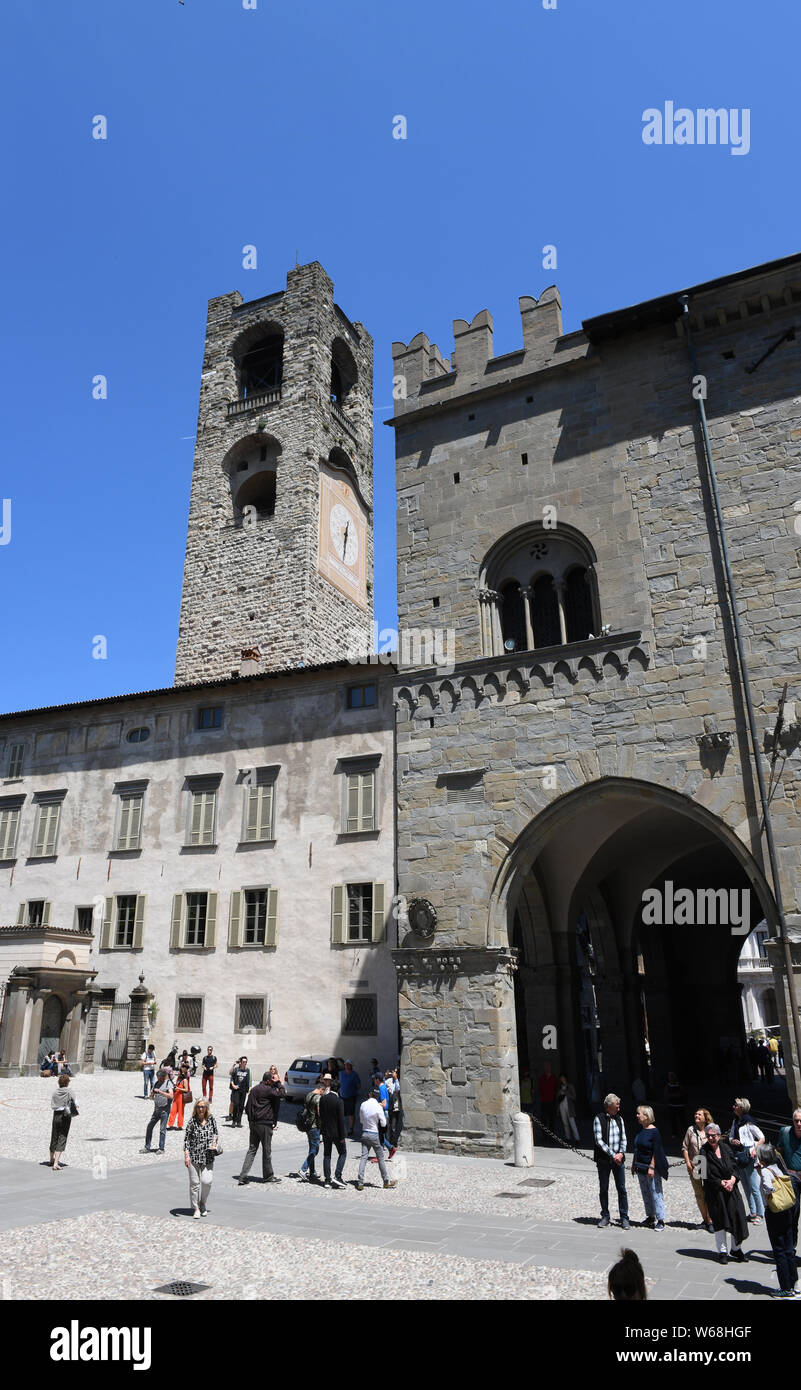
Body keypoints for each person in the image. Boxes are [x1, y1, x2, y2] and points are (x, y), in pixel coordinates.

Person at [755, 1142, 801, 1297]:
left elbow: (768, 1188)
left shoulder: (767, 1171)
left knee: (779, 1250)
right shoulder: (779, 1166)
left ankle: (785, 1288)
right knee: (788, 1248)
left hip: (775, 1212)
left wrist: (768, 1195)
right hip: (787, 1209)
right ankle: (794, 1283)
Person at [701, 1122, 749, 1264]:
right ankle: (722, 1251)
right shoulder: (702, 1151)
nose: (710, 1138)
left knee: (738, 1217)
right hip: (715, 1193)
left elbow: (735, 1167)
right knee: (720, 1221)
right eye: (708, 1136)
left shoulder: (726, 1148)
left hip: (731, 1190)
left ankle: (736, 1248)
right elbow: (703, 1174)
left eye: (713, 1136)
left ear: (719, 1136)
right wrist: (720, 1182)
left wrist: (733, 1180)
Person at [237, 1066, 285, 1185]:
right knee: (266, 1150)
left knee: (252, 1150)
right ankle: (268, 1176)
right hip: (265, 1123)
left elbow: (247, 1107)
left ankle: (242, 1176)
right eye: (272, 1080)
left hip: (254, 1123)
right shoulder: (269, 1090)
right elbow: (283, 1094)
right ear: (269, 1081)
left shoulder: (254, 1089)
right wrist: (278, 1082)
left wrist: (250, 1120)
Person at [593, 1093, 629, 1230]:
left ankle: (624, 1217)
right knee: (604, 1188)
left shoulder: (620, 1119)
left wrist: (621, 1153)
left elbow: (624, 1137)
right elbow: (599, 1140)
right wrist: (613, 1154)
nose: (619, 1109)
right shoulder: (599, 1119)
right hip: (604, 1160)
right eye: (616, 1106)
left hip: (618, 1160)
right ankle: (605, 1216)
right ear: (609, 1107)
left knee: (622, 1188)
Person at [729, 1098, 765, 1225]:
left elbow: (761, 1138)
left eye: (736, 1105)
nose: (734, 1107)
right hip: (738, 1155)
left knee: (754, 1185)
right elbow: (731, 1137)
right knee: (745, 1184)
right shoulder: (736, 1121)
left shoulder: (748, 1122)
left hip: (749, 1155)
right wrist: (733, 1140)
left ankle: (760, 1213)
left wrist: (754, 1149)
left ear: (741, 1108)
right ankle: (753, 1211)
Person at [632, 1105, 669, 1232]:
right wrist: (634, 1163)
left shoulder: (654, 1132)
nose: (637, 1116)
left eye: (639, 1113)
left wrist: (652, 1167)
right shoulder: (641, 1130)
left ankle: (661, 1220)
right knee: (645, 1192)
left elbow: (656, 1150)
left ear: (646, 1116)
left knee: (655, 1192)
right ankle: (650, 1216)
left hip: (650, 1167)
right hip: (640, 1166)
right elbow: (637, 1148)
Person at [356, 1087, 397, 1191]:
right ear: (377, 1096)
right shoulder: (378, 1107)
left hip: (365, 1132)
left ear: (370, 1094)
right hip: (374, 1133)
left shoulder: (363, 1104)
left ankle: (360, 1182)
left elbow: (361, 1120)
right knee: (380, 1158)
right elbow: (383, 1123)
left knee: (363, 1157)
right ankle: (386, 1181)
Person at [184, 1098, 219, 1218]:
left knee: (207, 1182)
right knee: (195, 1183)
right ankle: (196, 1208)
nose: (200, 1109)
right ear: (195, 1108)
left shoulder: (211, 1119)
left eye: (203, 1107)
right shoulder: (192, 1121)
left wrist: (214, 1141)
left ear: (206, 1108)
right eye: (198, 1107)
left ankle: (203, 1202)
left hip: (208, 1156)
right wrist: (187, 1156)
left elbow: (215, 1132)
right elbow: (186, 1140)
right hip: (194, 1157)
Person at [682, 1107, 715, 1232]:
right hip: (695, 1164)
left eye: (699, 1114)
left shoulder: (711, 1130)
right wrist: (688, 1163)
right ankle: (705, 1220)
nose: (696, 1115)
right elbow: (684, 1147)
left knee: (709, 1193)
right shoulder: (690, 1130)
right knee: (699, 1194)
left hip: (709, 1165)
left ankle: (711, 1219)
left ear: (705, 1117)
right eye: (695, 1114)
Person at [775, 1108, 801, 1251]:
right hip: (791, 1177)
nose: (799, 1123)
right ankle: (791, 1245)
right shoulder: (785, 1132)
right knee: (793, 1213)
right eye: (796, 1120)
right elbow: (778, 1152)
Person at [290, 1078, 324, 1183]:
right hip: (314, 1126)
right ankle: (303, 1169)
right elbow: (319, 1113)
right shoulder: (318, 1098)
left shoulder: (309, 1094)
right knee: (315, 1149)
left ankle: (312, 1172)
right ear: (321, 1089)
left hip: (307, 1125)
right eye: (323, 1091)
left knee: (311, 1148)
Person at [319, 1073, 348, 1188]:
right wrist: (342, 1136)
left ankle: (327, 1180)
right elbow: (341, 1120)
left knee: (327, 1155)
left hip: (326, 1131)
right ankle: (338, 1176)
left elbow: (321, 1116)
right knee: (343, 1153)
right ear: (339, 1089)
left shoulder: (323, 1099)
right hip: (336, 1133)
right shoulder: (339, 1101)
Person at [49, 1072, 76, 1171]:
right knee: (62, 1137)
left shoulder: (55, 1092)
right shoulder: (69, 1091)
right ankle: (56, 1163)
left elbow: (52, 1104)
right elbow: (76, 1102)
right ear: (67, 1083)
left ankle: (51, 1159)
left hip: (56, 1115)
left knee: (54, 1136)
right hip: (65, 1115)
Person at [144, 1068, 174, 1153]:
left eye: (160, 1078)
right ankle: (147, 1146)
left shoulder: (168, 1083)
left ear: (164, 1077)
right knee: (149, 1127)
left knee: (162, 1129)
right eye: (157, 1077)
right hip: (156, 1110)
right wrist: (152, 1094)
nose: (158, 1079)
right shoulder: (157, 1083)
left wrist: (161, 1092)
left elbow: (171, 1096)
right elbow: (151, 1098)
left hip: (165, 1110)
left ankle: (161, 1148)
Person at [339, 1060, 361, 1137]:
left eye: (349, 1065)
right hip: (342, 1096)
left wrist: (354, 1090)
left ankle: (351, 1129)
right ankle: (343, 1129)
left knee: (351, 1113)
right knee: (342, 1113)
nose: (347, 1066)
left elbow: (358, 1086)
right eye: (346, 1065)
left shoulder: (354, 1075)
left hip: (351, 1097)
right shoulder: (341, 1073)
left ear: (351, 1066)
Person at [168, 1063, 191, 1131]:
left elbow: (186, 1089)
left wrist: (179, 1089)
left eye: (179, 1072)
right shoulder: (178, 1079)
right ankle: (170, 1124)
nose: (178, 1073)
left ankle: (180, 1126)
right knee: (173, 1111)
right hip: (176, 1097)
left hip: (181, 1098)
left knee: (181, 1112)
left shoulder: (185, 1080)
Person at [663, 1072, 687, 1139]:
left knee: (683, 1120)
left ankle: (687, 1132)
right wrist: (674, 1096)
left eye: (672, 1076)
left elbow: (682, 1094)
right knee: (673, 1121)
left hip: (680, 1105)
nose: (671, 1078)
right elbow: (666, 1095)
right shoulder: (668, 1086)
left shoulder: (679, 1085)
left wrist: (673, 1095)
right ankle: (674, 1133)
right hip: (672, 1106)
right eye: (669, 1077)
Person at [557, 1074, 579, 1143]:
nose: (562, 1079)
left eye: (563, 1078)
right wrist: (559, 1093)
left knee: (572, 1123)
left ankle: (577, 1138)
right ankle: (568, 1137)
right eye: (561, 1078)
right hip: (562, 1106)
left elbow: (574, 1097)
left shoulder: (570, 1086)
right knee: (565, 1123)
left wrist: (566, 1093)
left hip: (570, 1107)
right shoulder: (559, 1087)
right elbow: (557, 1098)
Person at [228, 1057, 251, 1127]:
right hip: (236, 1090)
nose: (245, 1063)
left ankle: (239, 1121)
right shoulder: (236, 1069)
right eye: (243, 1062)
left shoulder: (247, 1070)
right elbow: (231, 1078)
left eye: (246, 1062)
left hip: (243, 1091)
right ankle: (234, 1121)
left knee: (241, 1106)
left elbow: (248, 1080)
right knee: (236, 1105)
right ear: (240, 1062)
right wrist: (233, 1085)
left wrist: (248, 1090)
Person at [538, 1063, 558, 1139]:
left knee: (552, 1119)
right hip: (543, 1101)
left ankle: (551, 1135)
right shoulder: (541, 1078)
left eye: (548, 1067)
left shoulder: (554, 1078)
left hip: (552, 1101)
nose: (547, 1068)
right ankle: (544, 1135)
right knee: (543, 1120)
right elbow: (539, 1089)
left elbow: (556, 1088)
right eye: (546, 1067)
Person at [387, 1068, 402, 1149]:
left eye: (395, 1072)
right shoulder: (389, 1080)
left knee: (393, 1126)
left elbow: (397, 1089)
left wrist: (396, 1078)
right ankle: (389, 1142)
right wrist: (385, 1076)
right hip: (389, 1105)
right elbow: (383, 1084)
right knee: (388, 1125)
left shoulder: (398, 1081)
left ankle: (393, 1143)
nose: (393, 1073)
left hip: (395, 1107)